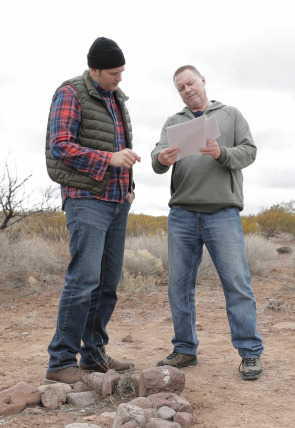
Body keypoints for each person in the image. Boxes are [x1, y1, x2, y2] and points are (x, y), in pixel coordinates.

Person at [151, 65, 263, 380]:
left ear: (203, 81)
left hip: (222, 213)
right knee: (179, 286)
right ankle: (185, 350)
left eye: (190, 83)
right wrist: (162, 159)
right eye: (180, 88)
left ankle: (250, 353)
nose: (187, 90)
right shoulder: (174, 122)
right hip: (182, 214)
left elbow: (250, 151)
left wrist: (221, 153)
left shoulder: (230, 115)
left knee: (237, 283)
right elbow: (156, 157)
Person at [45, 37, 141, 385]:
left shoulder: (116, 99)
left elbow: (117, 147)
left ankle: (93, 354)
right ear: (94, 70)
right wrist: (109, 159)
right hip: (86, 199)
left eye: (122, 71)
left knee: (108, 283)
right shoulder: (70, 93)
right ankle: (60, 362)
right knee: (83, 280)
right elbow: (60, 146)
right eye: (114, 73)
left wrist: (128, 187)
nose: (120, 78)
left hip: (117, 201)